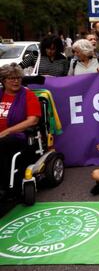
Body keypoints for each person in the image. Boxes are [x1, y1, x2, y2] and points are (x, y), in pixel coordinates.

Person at [0, 64, 41, 197]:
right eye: (11, 78)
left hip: (18, 136)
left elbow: (32, 120)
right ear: (3, 80)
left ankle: (4, 187)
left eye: (18, 78)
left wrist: (7, 131)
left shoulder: (27, 95)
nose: (16, 81)